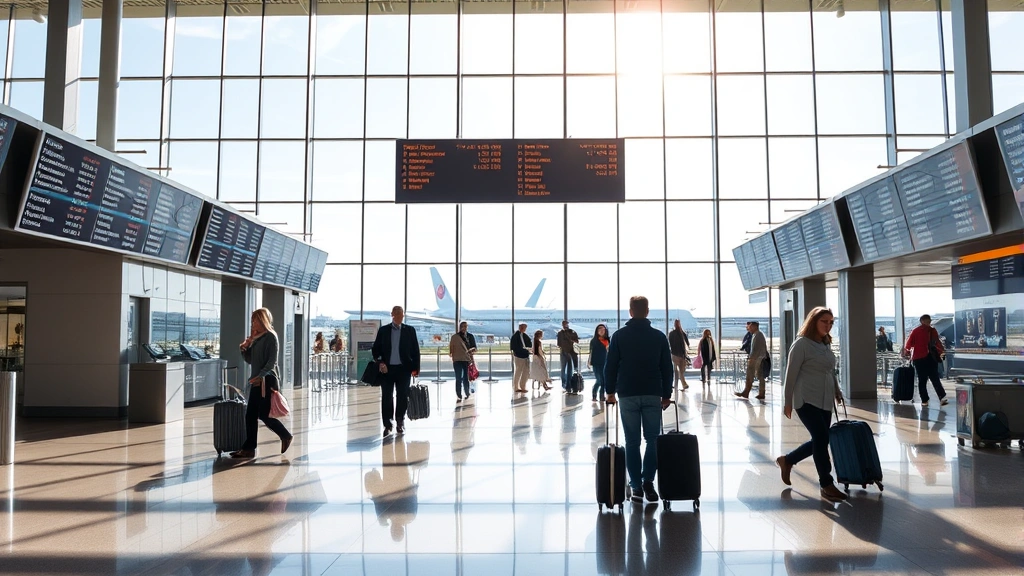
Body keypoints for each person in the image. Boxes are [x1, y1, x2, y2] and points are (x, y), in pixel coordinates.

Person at [605, 296, 674, 504]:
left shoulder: (619, 336)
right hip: (653, 392)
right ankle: (648, 482)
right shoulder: (659, 337)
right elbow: (667, 367)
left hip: (627, 394)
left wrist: (609, 392)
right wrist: (667, 394)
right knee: (652, 439)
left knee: (632, 442)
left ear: (630, 311)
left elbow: (611, 366)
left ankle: (635, 486)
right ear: (647, 311)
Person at [775, 306, 848, 502]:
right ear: (813, 321)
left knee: (821, 439)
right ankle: (826, 484)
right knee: (822, 438)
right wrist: (787, 401)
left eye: (831, 322)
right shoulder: (801, 344)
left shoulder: (825, 344)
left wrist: (837, 390)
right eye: (824, 321)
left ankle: (788, 460)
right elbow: (790, 374)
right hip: (806, 399)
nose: (828, 325)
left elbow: (829, 371)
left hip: (825, 400)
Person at [231, 307, 293, 459]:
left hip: (267, 380)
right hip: (257, 380)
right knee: (250, 415)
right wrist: (245, 348)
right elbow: (251, 360)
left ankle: (285, 435)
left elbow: (272, 362)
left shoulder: (271, 337)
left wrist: (261, 376)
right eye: (252, 321)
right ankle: (249, 448)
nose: (252, 324)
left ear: (262, 320)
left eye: (255, 320)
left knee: (263, 415)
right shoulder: (257, 338)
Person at [371, 306, 421, 437]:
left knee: (402, 396)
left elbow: (415, 351)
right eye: (396, 313)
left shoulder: (410, 331)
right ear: (392, 314)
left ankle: (400, 421)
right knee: (387, 397)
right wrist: (381, 363)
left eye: (401, 313)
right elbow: (375, 350)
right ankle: (387, 424)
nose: (399, 316)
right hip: (387, 370)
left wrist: (416, 369)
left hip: (403, 369)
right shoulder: (383, 331)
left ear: (403, 315)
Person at [902, 314, 948, 407]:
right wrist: (942, 351)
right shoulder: (928, 331)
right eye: (927, 320)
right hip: (928, 358)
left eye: (929, 320)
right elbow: (937, 342)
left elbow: (908, 345)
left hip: (920, 358)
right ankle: (940, 397)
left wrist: (907, 351)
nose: (929, 322)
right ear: (922, 321)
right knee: (933, 378)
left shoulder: (919, 331)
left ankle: (925, 400)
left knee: (923, 379)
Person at [736, 321, 768, 400]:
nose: (748, 328)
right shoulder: (755, 335)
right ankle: (747, 392)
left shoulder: (758, 335)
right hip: (756, 358)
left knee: (758, 376)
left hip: (757, 359)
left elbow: (756, 349)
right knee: (752, 375)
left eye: (750, 327)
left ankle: (758, 393)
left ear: (754, 327)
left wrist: (752, 358)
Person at [450, 322, 474, 402]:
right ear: (460, 327)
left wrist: (470, 352)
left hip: (466, 360)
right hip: (457, 360)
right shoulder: (454, 337)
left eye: (465, 326)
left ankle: (467, 392)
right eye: (462, 326)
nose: (464, 328)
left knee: (466, 378)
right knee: (458, 378)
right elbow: (451, 349)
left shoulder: (470, 337)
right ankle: (459, 394)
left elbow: (474, 348)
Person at [556, 320, 580, 391]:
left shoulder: (571, 332)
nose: (565, 325)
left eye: (566, 324)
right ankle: (565, 384)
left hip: (571, 352)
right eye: (564, 324)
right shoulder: (560, 333)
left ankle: (571, 383)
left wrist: (571, 341)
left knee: (570, 368)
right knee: (564, 368)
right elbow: (559, 344)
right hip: (564, 352)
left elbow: (577, 341)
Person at [589, 323, 610, 401]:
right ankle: (594, 395)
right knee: (599, 380)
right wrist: (589, 361)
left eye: (603, 329)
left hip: (605, 362)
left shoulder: (607, 340)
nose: (602, 331)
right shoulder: (594, 341)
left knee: (604, 381)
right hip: (596, 363)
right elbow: (591, 353)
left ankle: (602, 396)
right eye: (600, 329)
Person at [668, 319, 690, 391]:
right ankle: (684, 384)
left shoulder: (671, 333)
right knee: (681, 371)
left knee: (675, 371)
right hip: (682, 355)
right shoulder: (682, 333)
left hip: (674, 355)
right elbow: (687, 343)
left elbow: (670, 343)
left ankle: (673, 384)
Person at [510, 323, 532, 394]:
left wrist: (528, 350)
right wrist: (523, 350)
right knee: (518, 371)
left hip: (525, 356)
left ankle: (523, 386)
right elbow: (514, 347)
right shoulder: (515, 336)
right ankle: (516, 387)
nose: (524, 329)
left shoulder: (525, 336)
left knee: (526, 372)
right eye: (523, 328)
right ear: (520, 328)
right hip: (519, 356)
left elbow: (529, 344)